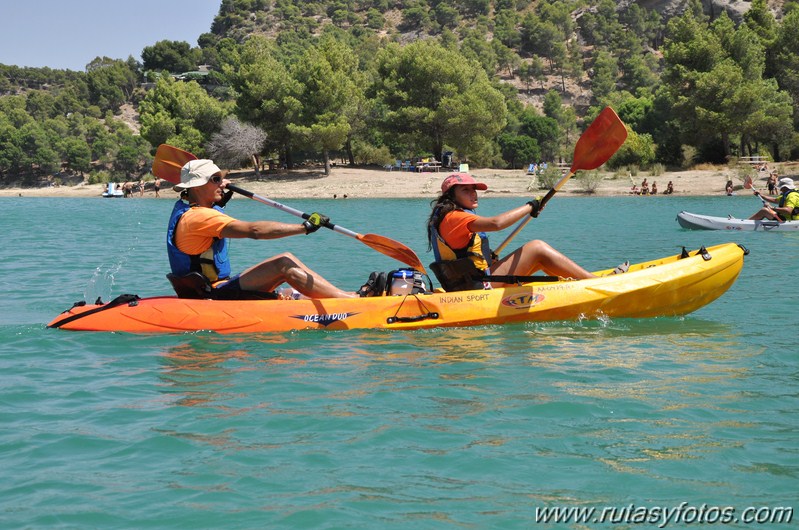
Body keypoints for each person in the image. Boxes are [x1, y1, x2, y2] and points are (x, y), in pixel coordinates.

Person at [167, 159, 355, 299]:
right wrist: (304, 227)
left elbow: (207, 215)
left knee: (290, 287)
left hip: (213, 287)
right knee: (283, 263)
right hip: (212, 294)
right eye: (216, 179)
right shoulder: (198, 217)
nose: (222, 183)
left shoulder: (191, 209)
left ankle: (346, 296)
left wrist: (217, 198)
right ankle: (350, 301)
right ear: (198, 186)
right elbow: (254, 230)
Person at [425, 173, 627, 291]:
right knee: (536, 248)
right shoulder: (454, 217)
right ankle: (599, 284)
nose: (473, 194)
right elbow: (497, 223)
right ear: (450, 196)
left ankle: (579, 287)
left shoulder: (450, 216)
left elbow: (464, 255)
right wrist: (531, 206)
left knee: (539, 260)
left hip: (472, 281)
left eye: (473, 189)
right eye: (465, 190)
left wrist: (490, 258)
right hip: (476, 288)